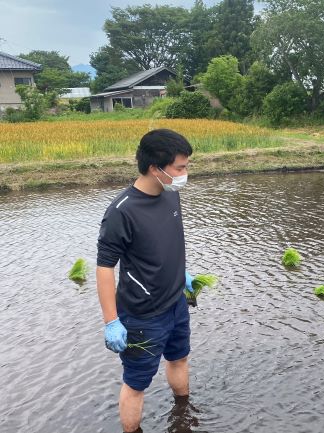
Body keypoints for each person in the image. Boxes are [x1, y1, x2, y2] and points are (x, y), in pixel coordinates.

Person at [96, 129, 197, 433]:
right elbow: (104, 268)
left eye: (186, 166)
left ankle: (183, 414)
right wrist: (111, 321)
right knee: (136, 383)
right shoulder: (121, 211)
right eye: (180, 167)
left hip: (176, 302)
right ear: (156, 168)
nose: (185, 173)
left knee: (179, 358)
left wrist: (182, 275)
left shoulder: (170, 194)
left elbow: (165, 244)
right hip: (142, 316)